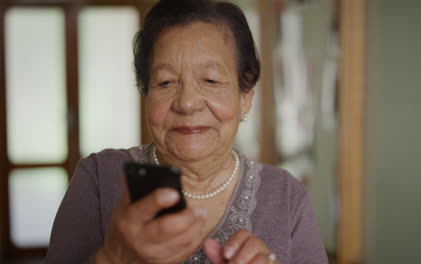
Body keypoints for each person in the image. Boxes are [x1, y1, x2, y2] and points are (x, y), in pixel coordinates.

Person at [45, 0, 327, 263]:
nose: (187, 103)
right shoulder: (99, 177)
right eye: (165, 82)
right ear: (145, 93)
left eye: (211, 80)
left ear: (245, 97)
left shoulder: (288, 196)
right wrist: (114, 256)